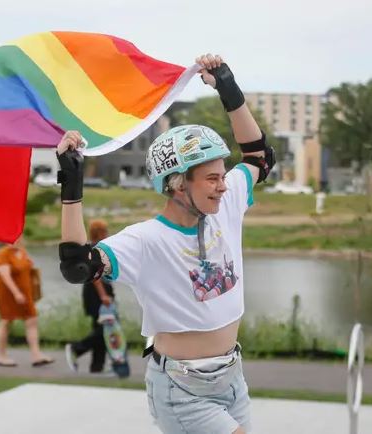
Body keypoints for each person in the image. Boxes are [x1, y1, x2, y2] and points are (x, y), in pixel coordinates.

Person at [55, 54, 275, 433]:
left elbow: (259, 157)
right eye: (210, 178)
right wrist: (71, 187)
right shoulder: (146, 240)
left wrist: (229, 88)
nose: (223, 185)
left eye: (223, 176)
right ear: (176, 185)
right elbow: (78, 265)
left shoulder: (226, 204)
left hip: (231, 378)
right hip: (182, 388)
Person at [0, 235, 54, 367]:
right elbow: (5, 276)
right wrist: (16, 292)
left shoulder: (22, 252)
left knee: (32, 319)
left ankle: (36, 355)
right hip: (8, 294)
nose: (19, 239)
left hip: (26, 294)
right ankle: (1, 356)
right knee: (6, 321)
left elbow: (29, 271)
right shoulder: (3, 254)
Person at [65, 219, 115, 373]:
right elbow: (96, 277)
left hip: (97, 294)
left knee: (100, 328)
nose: (107, 233)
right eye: (105, 231)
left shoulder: (91, 249)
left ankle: (96, 366)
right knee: (104, 329)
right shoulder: (96, 250)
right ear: (100, 233)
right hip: (97, 295)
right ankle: (77, 348)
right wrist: (103, 296)